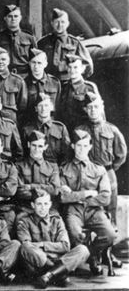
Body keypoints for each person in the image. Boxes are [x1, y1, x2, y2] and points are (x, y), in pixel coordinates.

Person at [59, 129, 116, 275]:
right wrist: (87, 193)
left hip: (94, 210)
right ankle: (90, 259)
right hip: (73, 211)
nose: (81, 149)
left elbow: (105, 197)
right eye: (78, 145)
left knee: (110, 235)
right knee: (75, 234)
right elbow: (63, 198)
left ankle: (92, 256)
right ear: (72, 146)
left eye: (85, 146)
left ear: (90, 146)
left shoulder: (99, 169)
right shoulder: (63, 168)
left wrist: (76, 196)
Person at [17, 188, 90, 288]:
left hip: (60, 260)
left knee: (83, 249)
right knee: (25, 247)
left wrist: (42, 244)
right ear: (32, 205)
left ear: (50, 204)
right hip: (39, 262)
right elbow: (27, 246)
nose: (43, 208)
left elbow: (65, 246)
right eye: (39, 204)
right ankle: (59, 274)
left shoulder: (57, 220)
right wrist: (53, 249)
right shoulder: (24, 221)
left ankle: (48, 276)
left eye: (46, 204)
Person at [76, 92, 127, 225]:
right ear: (85, 110)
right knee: (88, 206)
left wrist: (109, 169)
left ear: (101, 107)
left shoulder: (112, 130)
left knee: (110, 207)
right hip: (87, 173)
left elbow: (121, 155)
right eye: (90, 107)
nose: (93, 110)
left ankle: (111, 237)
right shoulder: (80, 130)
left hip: (108, 172)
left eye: (96, 107)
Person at [37, 8, 93, 82]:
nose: (60, 25)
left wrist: (76, 80)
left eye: (63, 22)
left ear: (68, 24)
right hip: (48, 83)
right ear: (52, 23)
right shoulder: (42, 43)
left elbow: (88, 65)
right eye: (57, 22)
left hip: (68, 84)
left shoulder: (75, 43)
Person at [14, 131, 61, 217]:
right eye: (34, 145)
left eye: (40, 146)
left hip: (48, 209)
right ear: (29, 145)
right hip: (25, 208)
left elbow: (55, 190)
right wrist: (45, 191)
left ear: (45, 147)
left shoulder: (52, 166)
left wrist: (31, 186)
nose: (36, 149)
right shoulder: (18, 166)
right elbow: (19, 191)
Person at [21, 93, 71, 164]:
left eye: (46, 105)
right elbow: (23, 153)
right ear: (36, 109)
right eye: (40, 106)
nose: (43, 109)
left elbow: (67, 154)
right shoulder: (27, 129)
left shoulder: (60, 128)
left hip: (55, 169)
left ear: (52, 107)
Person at [0, 4, 36, 77]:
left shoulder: (29, 38)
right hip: (3, 76)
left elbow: (35, 60)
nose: (13, 19)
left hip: (24, 76)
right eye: (10, 16)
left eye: (16, 16)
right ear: (5, 18)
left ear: (20, 18)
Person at [56, 53, 99, 130]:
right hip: (67, 132)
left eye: (75, 67)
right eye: (70, 67)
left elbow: (99, 113)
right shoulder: (64, 87)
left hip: (84, 132)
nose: (72, 70)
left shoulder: (89, 87)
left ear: (82, 69)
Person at [24, 48, 61, 123]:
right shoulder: (24, 83)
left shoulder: (55, 82)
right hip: (30, 123)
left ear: (45, 64)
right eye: (33, 62)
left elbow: (58, 106)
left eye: (39, 63)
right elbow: (22, 109)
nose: (36, 66)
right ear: (29, 63)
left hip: (51, 123)